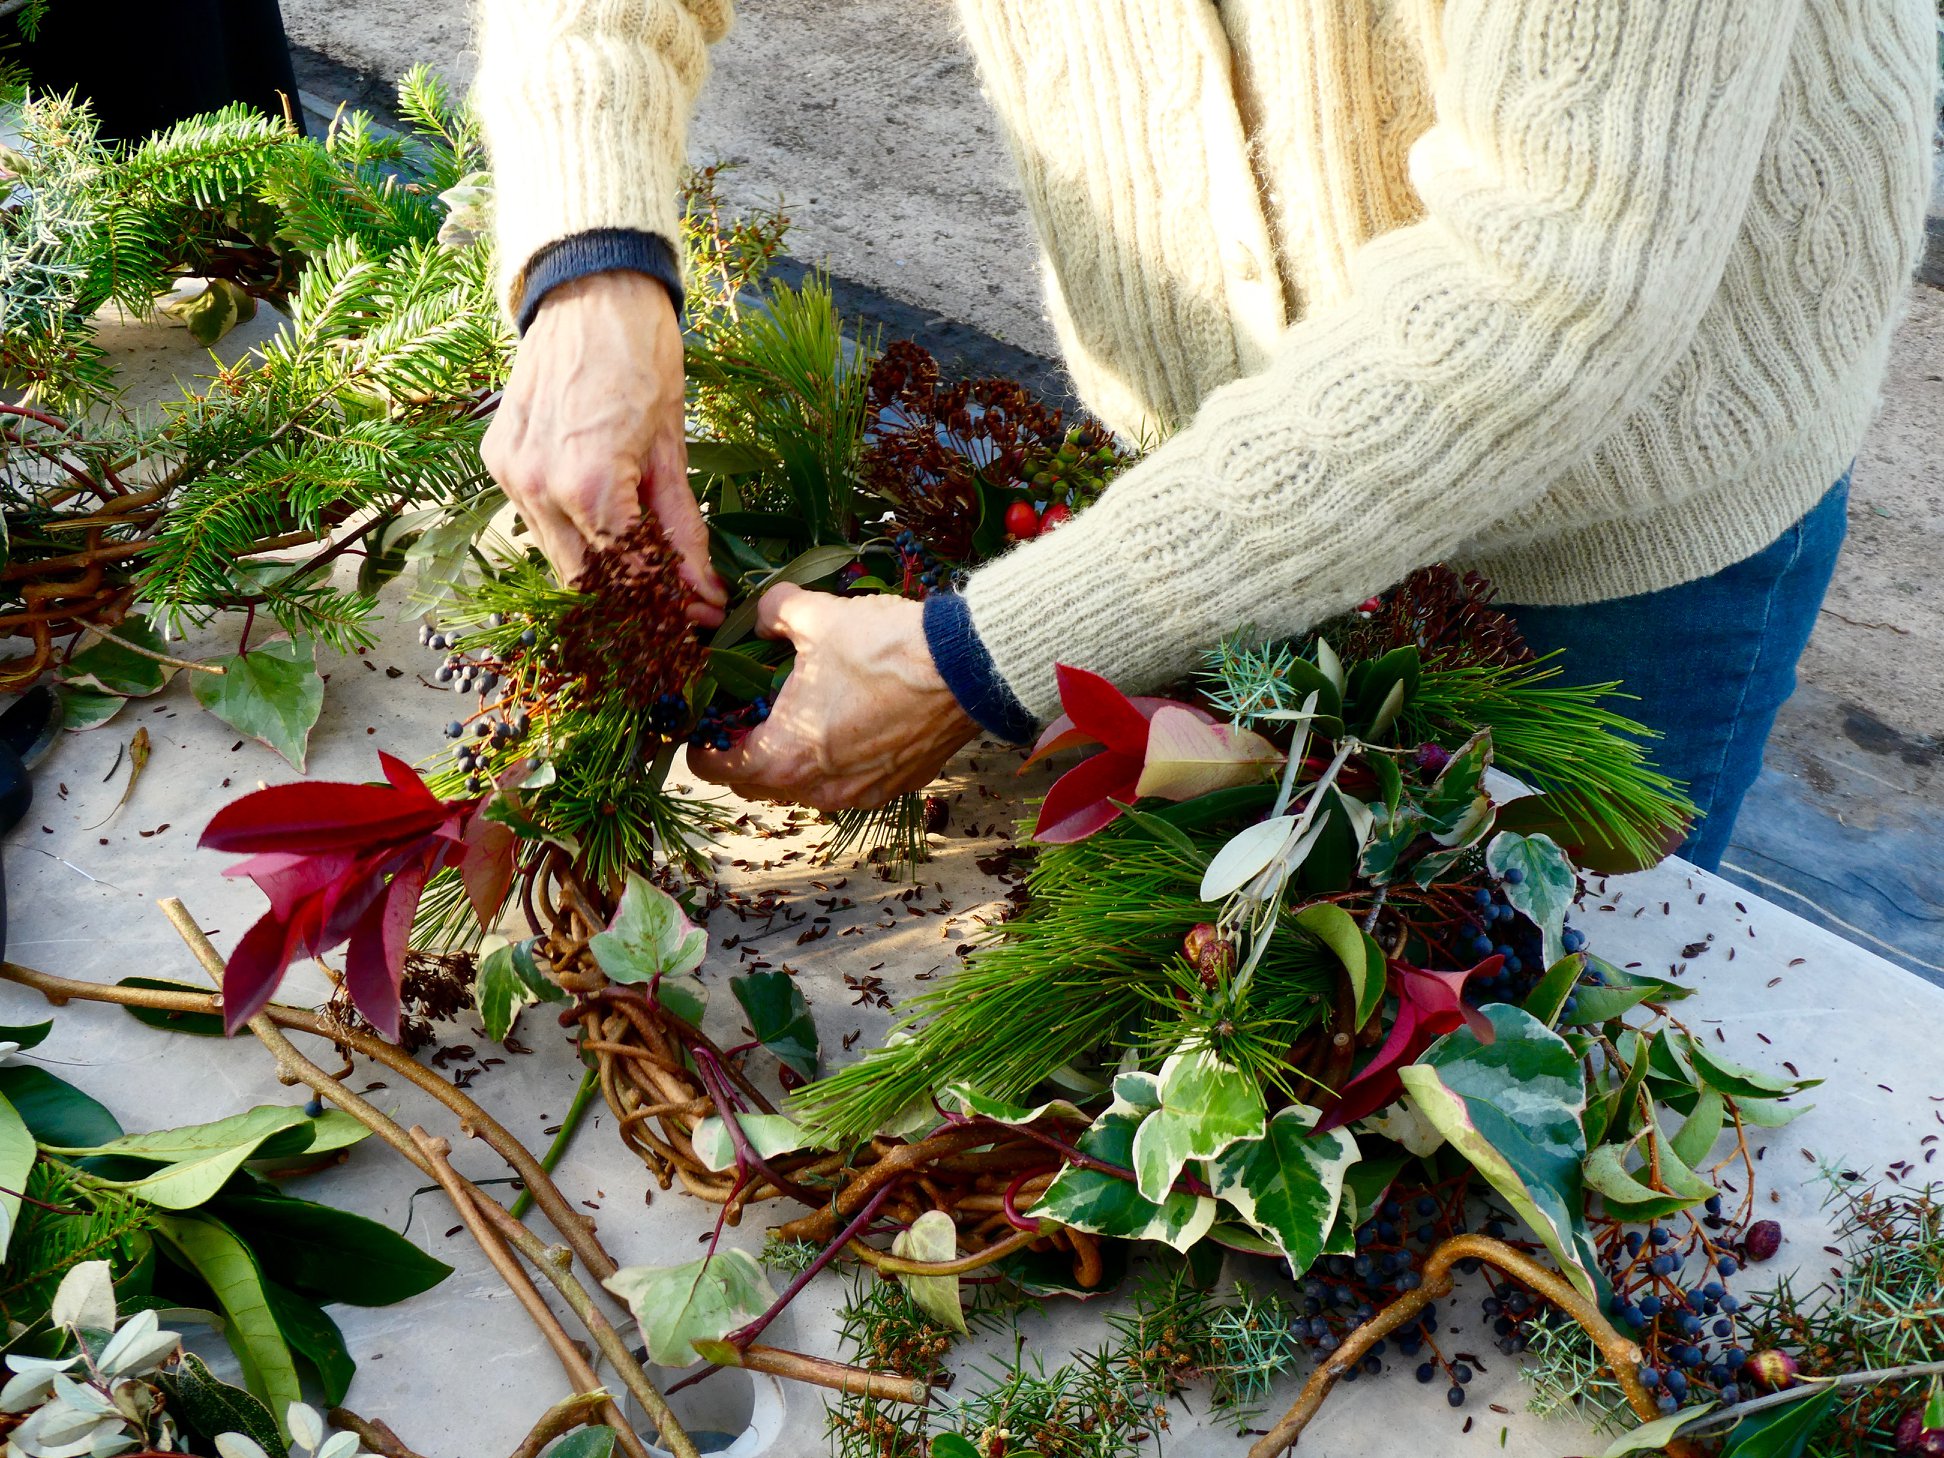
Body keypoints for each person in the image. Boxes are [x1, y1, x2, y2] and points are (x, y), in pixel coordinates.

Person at [475, 0, 1935, 871]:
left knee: (1532, 1114)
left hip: (1611, 514)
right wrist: (589, 258)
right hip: (1212, 447)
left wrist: (993, 653)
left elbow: (1558, 274)